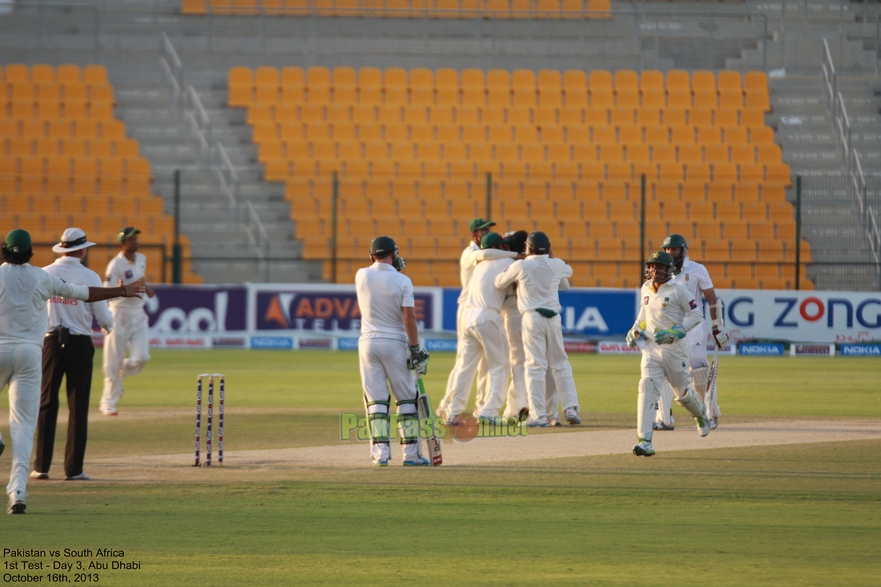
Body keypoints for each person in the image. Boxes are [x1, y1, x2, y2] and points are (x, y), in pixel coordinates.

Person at [0, 229, 144, 514]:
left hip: (16, 347)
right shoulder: (42, 277)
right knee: (24, 425)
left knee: (44, 408)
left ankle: (31, 465)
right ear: (30, 252)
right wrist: (122, 290)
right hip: (31, 353)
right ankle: (18, 492)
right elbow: (85, 294)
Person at [32, 228, 115, 482]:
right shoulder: (90, 275)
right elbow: (103, 317)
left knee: (46, 403)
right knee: (77, 407)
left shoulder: (44, 273)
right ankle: (73, 469)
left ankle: (41, 467)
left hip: (50, 344)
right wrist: (107, 326)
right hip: (79, 344)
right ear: (81, 250)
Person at [625, 251, 710, 457]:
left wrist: (677, 331)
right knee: (646, 387)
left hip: (674, 350)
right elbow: (643, 317)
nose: (653, 270)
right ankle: (645, 441)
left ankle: (700, 415)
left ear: (669, 269)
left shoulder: (678, 290)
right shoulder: (645, 288)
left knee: (682, 394)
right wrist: (634, 329)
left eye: (658, 267)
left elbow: (697, 314)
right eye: (651, 266)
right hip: (651, 350)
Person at [355, 236, 430, 467]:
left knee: (376, 401)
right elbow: (409, 317)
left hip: (368, 343)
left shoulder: (361, 275)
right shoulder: (403, 280)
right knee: (406, 398)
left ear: (371, 255)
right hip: (395, 342)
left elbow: (377, 274)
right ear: (393, 254)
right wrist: (415, 348)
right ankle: (410, 454)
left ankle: (380, 456)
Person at [494, 231, 580, 427]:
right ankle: (570, 408)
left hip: (532, 318)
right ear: (548, 248)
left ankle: (538, 416)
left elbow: (499, 282)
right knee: (561, 363)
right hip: (554, 318)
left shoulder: (522, 265)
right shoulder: (557, 263)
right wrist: (551, 262)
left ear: (528, 248)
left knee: (535, 367)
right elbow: (566, 281)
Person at [437, 219, 518, 423]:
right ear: (474, 234)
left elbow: (490, 253)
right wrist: (517, 254)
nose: (486, 232)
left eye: (489, 230)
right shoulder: (473, 254)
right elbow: (487, 254)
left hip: (469, 315)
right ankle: (487, 411)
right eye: (483, 230)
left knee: (468, 365)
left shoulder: (485, 263)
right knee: (498, 365)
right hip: (483, 313)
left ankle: (453, 410)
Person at [653, 234, 728, 431]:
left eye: (674, 249)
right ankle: (663, 418)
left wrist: (717, 327)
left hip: (693, 327)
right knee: (661, 369)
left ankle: (709, 413)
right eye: (668, 249)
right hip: (669, 327)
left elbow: (713, 300)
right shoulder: (661, 271)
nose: (671, 252)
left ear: (683, 250)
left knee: (698, 371)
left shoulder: (697, 269)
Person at [100, 227, 155, 416]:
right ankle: (108, 402)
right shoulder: (115, 265)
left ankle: (122, 369)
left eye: (136, 238)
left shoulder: (142, 259)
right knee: (112, 360)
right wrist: (124, 290)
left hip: (138, 314)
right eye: (131, 240)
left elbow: (141, 280)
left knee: (142, 357)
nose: (135, 242)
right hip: (119, 313)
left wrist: (146, 289)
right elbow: (107, 293)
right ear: (123, 243)